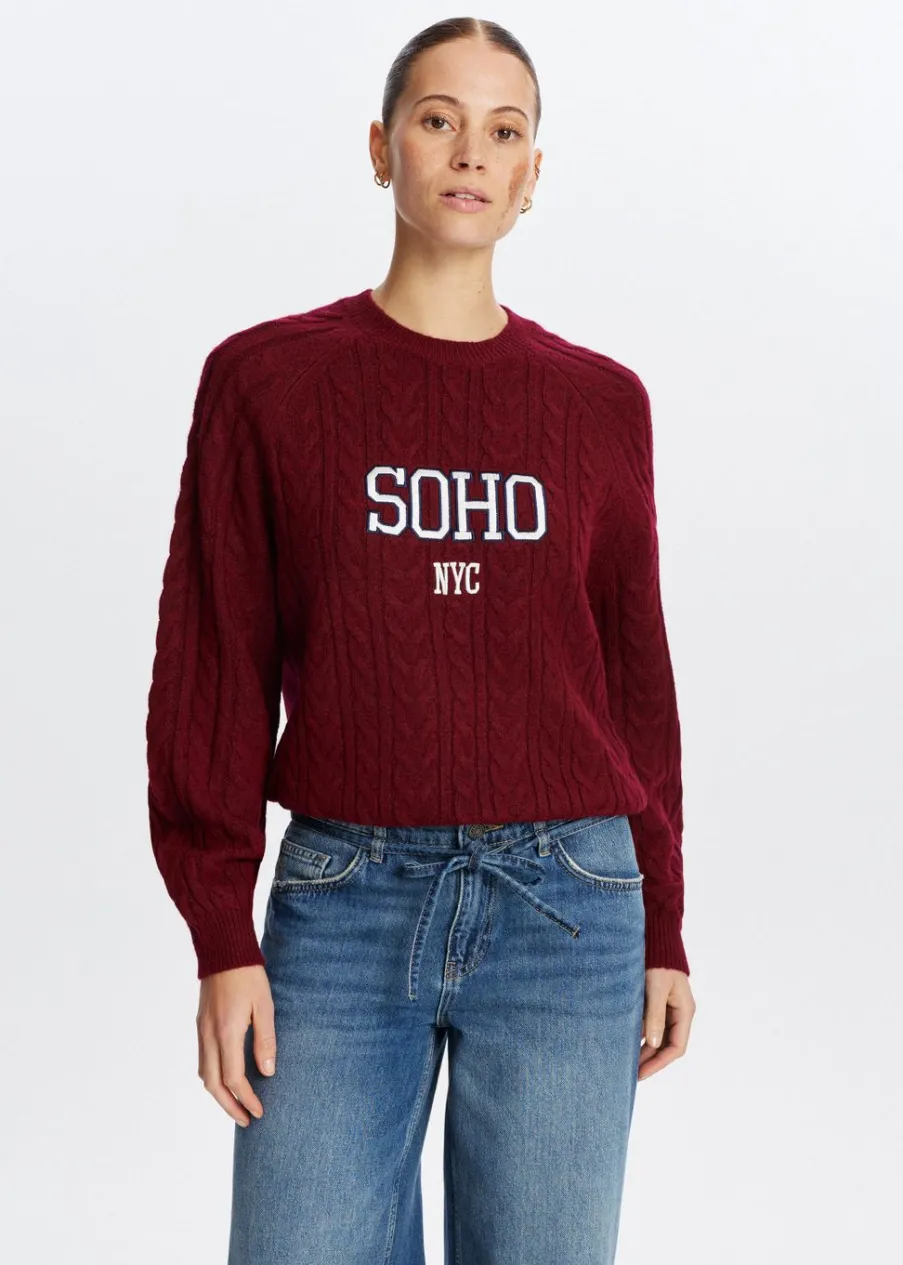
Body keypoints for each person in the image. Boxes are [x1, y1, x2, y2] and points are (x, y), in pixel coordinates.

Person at [145, 15, 697, 1264]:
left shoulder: (600, 404)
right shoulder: (267, 382)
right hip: (343, 903)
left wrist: (666, 919)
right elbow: (215, 663)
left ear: (533, 173)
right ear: (381, 146)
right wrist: (220, 931)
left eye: (504, 131)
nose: (470, 152)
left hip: (572, 906)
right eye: (439, 119)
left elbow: (635, 683)